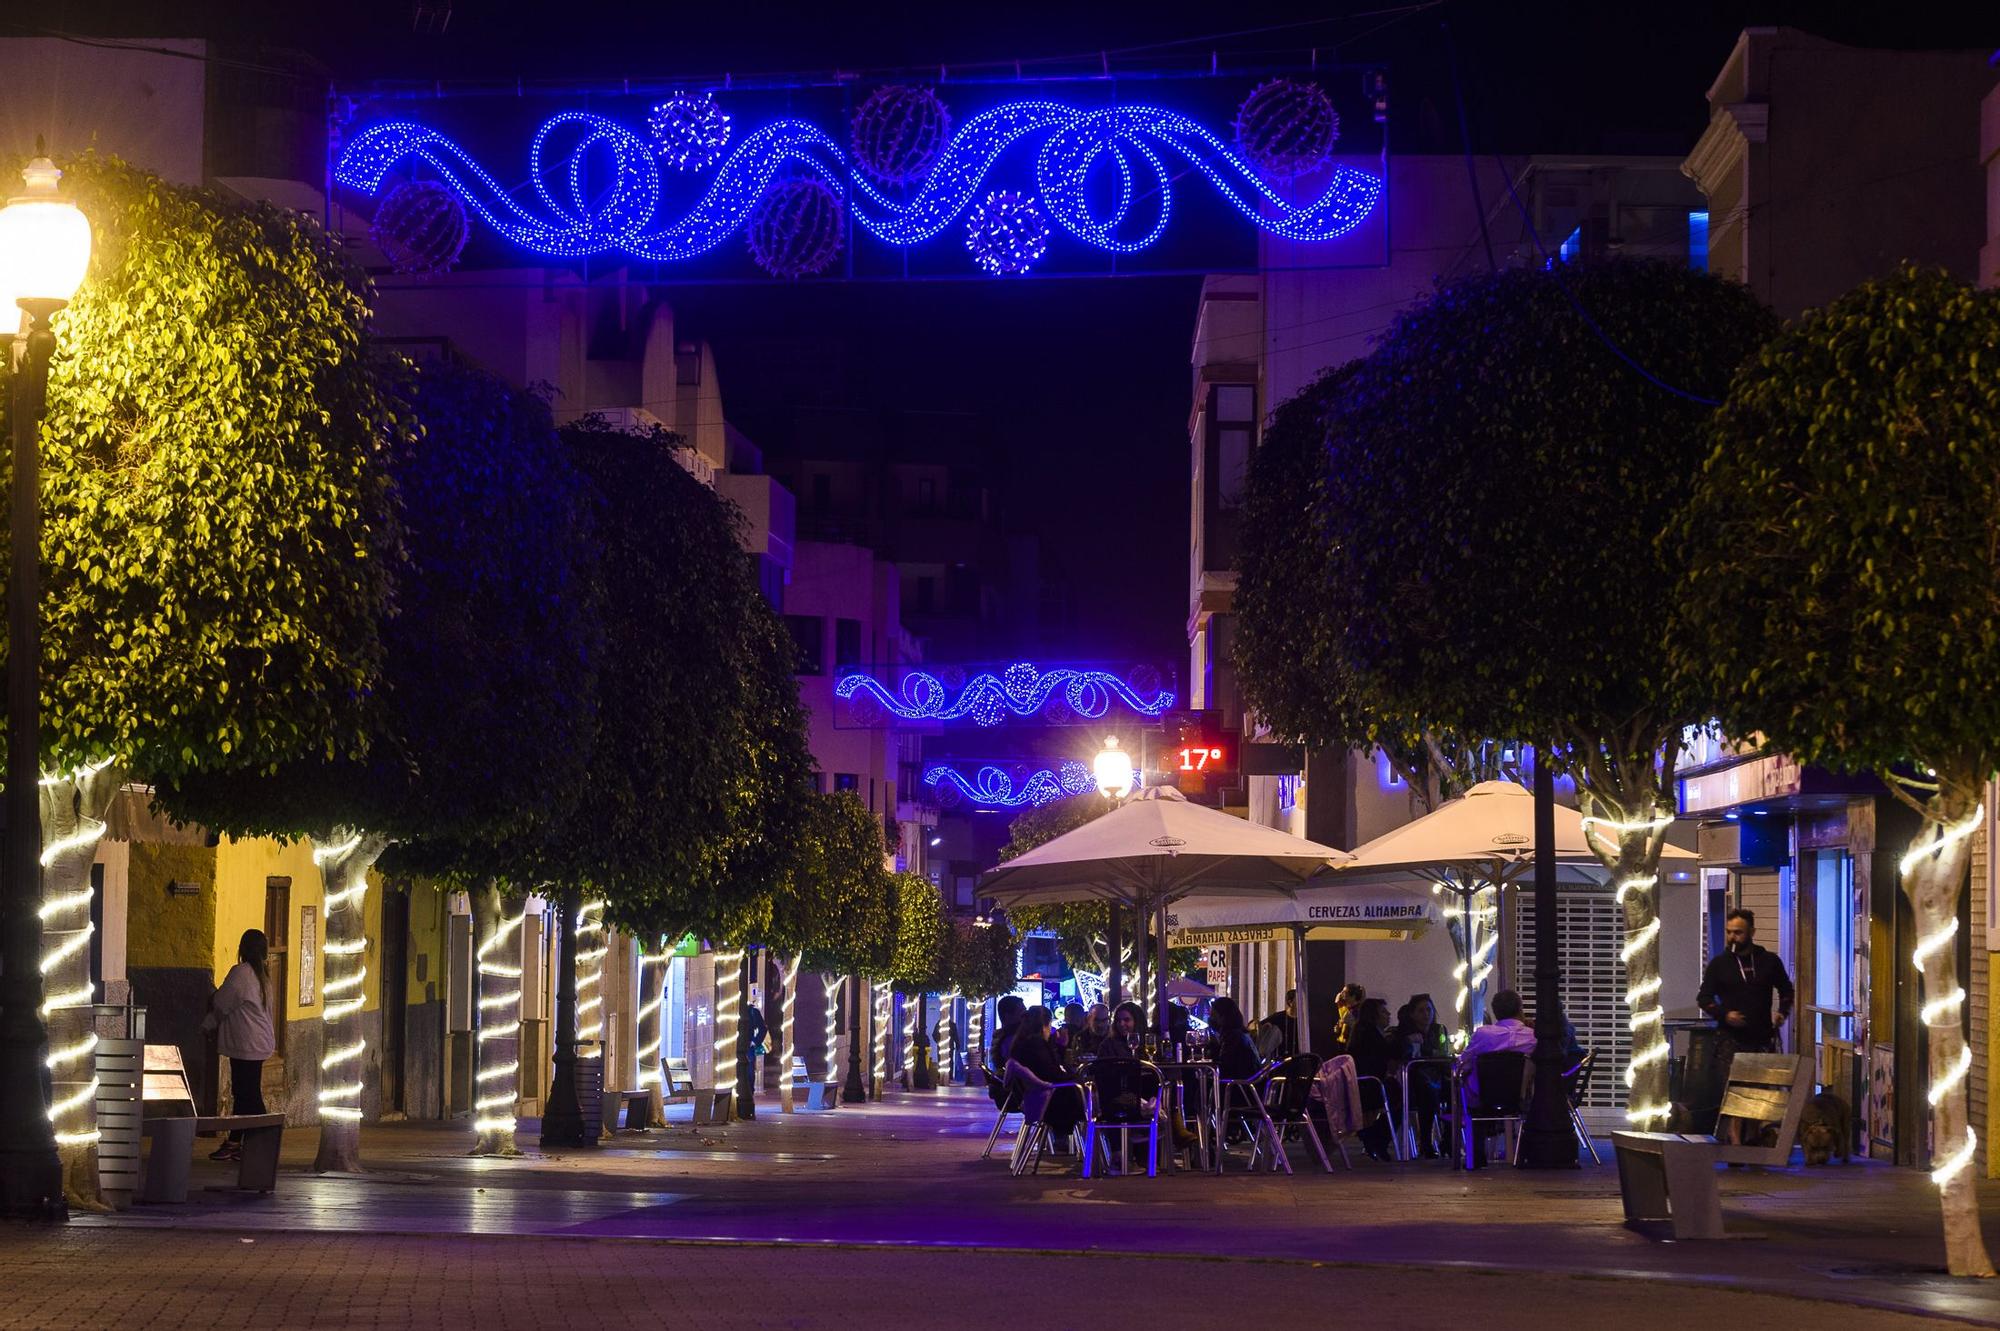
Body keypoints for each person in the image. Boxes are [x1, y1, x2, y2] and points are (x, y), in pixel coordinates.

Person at [204, 929, 276, 1162]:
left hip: (246, 1043)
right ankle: (236, 1142)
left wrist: (207, 1021)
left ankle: (264, 1141)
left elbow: (222, 1002)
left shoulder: (241, 974)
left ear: (242, 949)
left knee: (248, 1094)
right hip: (258, 1042)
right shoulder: (262, 976)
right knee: (244, 1093)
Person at [1697, 908, 1795, 1057]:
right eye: (1728, 932)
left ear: (1752, 932)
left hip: (1762, 1037)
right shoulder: (1719, 964)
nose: (1732, 937)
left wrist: (1782, 1011)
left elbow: (1786, 989)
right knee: (1731, 1080)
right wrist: (1725, 1015)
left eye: (1738, 933)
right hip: (1729, 1039)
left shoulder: (1769, 960)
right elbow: (1704, 998)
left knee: (1761, 1079)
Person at [1004, 1006, 1085, 1144]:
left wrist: (1059, 1047)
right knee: (1091, 1095)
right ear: (1044, 1026)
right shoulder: (1036, 1046)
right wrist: (1077, 1078)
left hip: (1035, 1099)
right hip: (1051, 1103)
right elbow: (1052, 1073)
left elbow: (1049, 1071)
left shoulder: (1022, 1044)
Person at [1394, 994, 1452, 1158]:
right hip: (1414, 1078)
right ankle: (1425, 1142)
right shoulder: (1405, 1033)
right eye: (1421, 1011)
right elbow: (1403, 1055)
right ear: (1412, 1014)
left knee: (1457, 1091)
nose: (1426, 1014)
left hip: (1438, 1074)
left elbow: (1443, 1052)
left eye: (1429, 1010)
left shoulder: (1439, 1030)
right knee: (1427, 1092)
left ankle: (1448, 1139)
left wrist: (1432, 1052)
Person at [1348, 998, 1400, 1159]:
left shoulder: (1362, 1032)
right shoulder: (1371, 1034)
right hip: (1370, 1085)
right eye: (1383, 1012)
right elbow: (1389, 1053)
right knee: (1401, 1098)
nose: (1389, 1014)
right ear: (1374, 1015)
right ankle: (1376, 1137)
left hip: (1365, 1083)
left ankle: (1373, 1136)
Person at [1207, 996, 1262, 1081]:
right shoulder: (1240, 1034)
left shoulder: (1233, 1037)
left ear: (1224, 1017)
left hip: (1238, 1086)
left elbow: (1224, 1068)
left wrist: (1213, 1046)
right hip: (1247, 1084)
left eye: (1214, 1016)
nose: (1211, 1019)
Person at [988, 995, 1027, 1106]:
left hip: (1011, 1091)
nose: (1025, 1016)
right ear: (1008, 1016)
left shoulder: (1003, 1035)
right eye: (1021, 1011)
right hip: (1015, 1094)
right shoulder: (1011, 1039)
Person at [1256, 989, 1298, 1060]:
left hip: (1298, 1059)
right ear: (1290, 1002)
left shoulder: (1303, 1022)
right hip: (1280, 1061)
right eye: (1298, 1000)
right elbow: (1260, 1026)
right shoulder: (1278, 1017)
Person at [1332, 983, 1367, 1051]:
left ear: (1353, 996)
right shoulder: (1348, 1010)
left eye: (1344, 992)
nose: (1341, 993)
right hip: (1344, 1045)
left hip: (1352, 1047)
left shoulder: (1357, 1011)